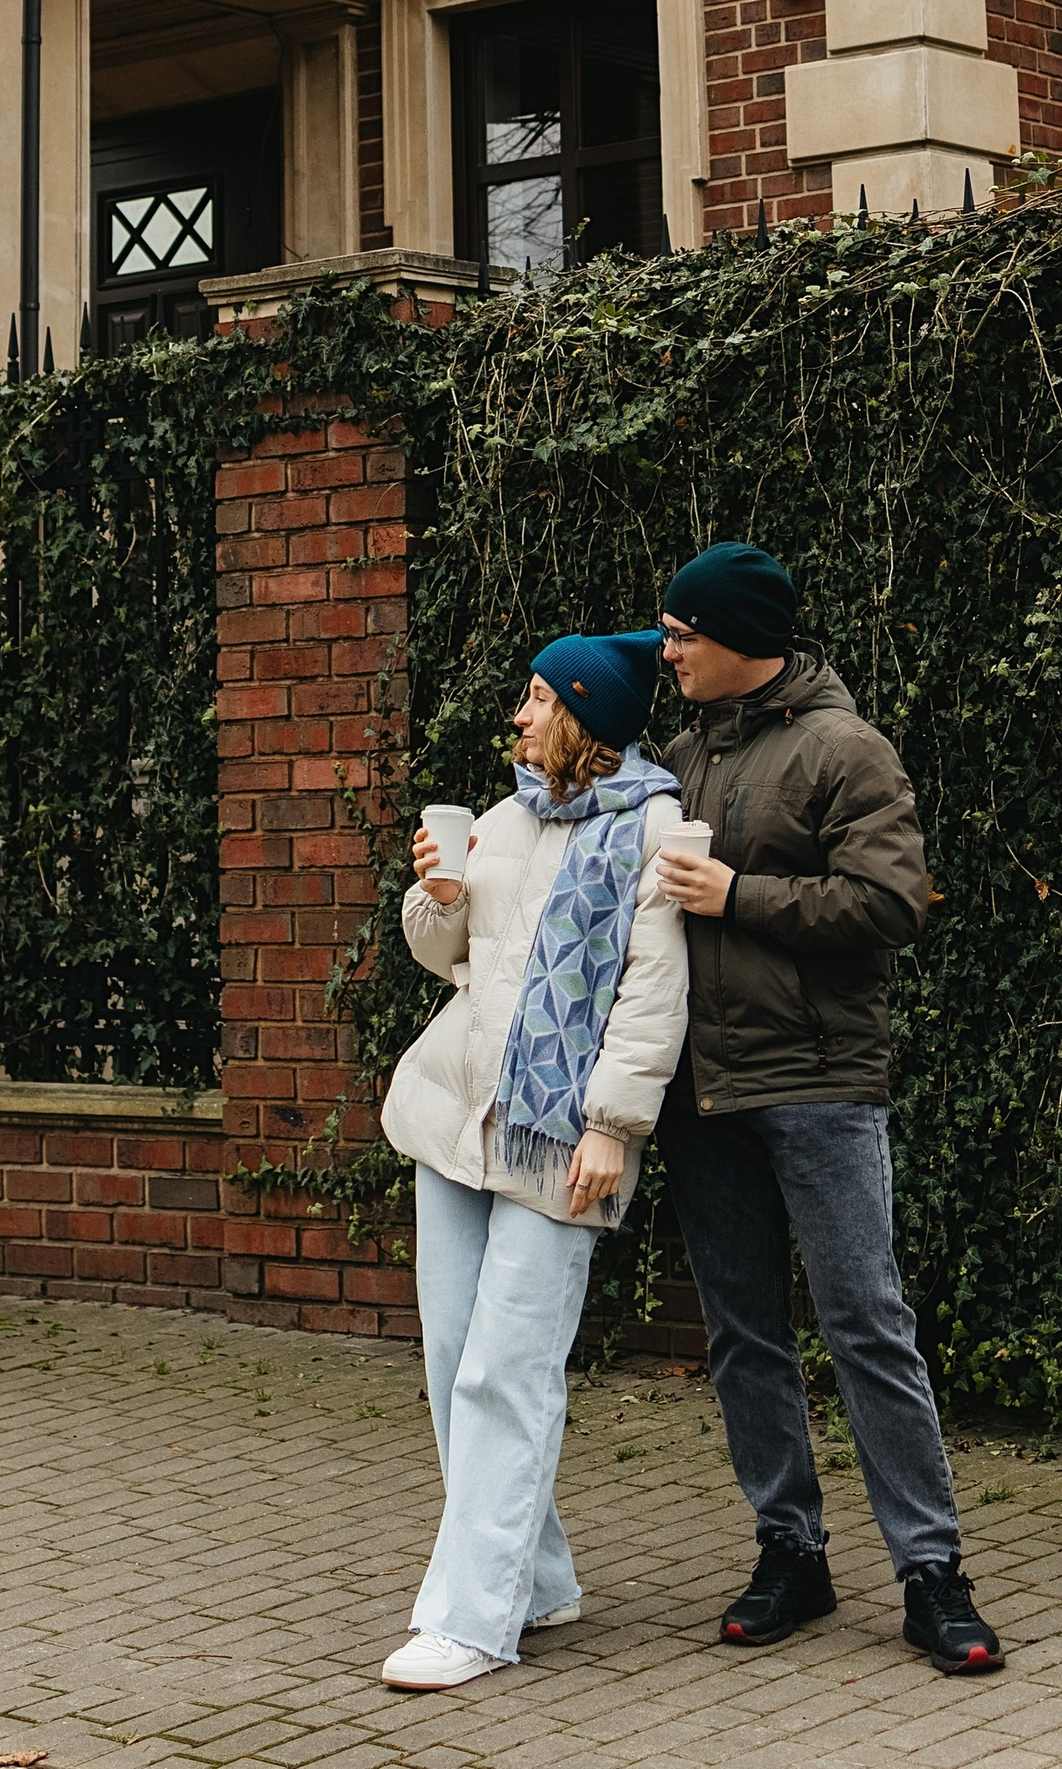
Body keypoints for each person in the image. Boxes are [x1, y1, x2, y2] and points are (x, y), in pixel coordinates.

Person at [650, 539, 1004, 1678]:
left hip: (817, 1081)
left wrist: (738, 894)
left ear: (741, 637)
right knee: (742, 1332)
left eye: (682, 633)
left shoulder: (845, 747)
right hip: (703, 1091)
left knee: (865, 1321)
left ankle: (932, 1573)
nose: (667, 651)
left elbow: (890, 904)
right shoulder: (678, 757)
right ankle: (790, 1552)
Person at [377, 627, 688, 1691]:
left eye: (540, 697)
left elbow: (653, 991)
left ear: (585, 712)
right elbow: (446, 957)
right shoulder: (506, 816)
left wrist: (613, 1125)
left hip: (564, 1138)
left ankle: (470, 1619)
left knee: (506, 1373)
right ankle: (538, 1576)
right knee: (452, 1363)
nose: (519, 714)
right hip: (456, 1119)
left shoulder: (653, 828)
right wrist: (438, 897)